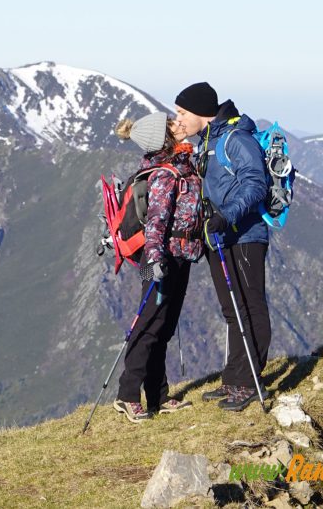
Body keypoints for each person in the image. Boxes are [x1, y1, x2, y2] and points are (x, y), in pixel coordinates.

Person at [173, 82, 270, 412]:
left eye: (182, 112)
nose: (179, 119)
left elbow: (256, 183)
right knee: (232, 310)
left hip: (244, 236)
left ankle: (249, 383)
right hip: (219, 237)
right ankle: (234, 378)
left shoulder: (235, 139)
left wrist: (226, 216)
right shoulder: (208, 142)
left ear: (201, 111)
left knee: (250, 307)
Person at [111, 111, 202, 423]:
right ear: (163, 138)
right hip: (161, 258)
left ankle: (158, 395)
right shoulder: (165, 173)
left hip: (179, 254)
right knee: (149, 323)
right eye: (172, 124)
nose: (179, 125)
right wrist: (154, 260)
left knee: (163, 324)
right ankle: (127, 395)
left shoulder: (180, 165)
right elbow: (156, 221)